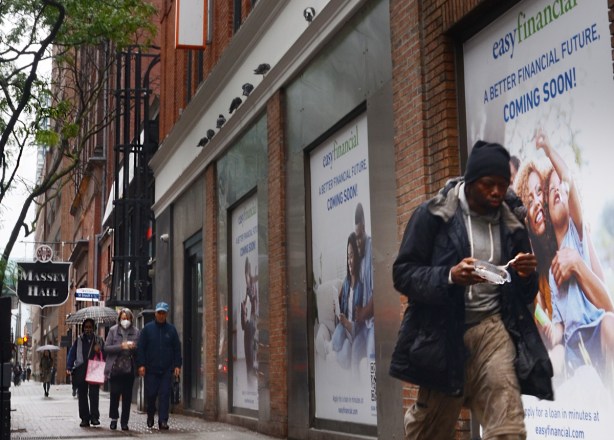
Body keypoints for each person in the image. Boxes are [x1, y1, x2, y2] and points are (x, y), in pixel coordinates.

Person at [390, 141, 553, 439]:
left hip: (492, 331)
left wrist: (527, 275)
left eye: (502, 185)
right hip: (443, 333)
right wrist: (449, 276)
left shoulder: (512, 223)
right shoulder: (433, 216)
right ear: (470, 180)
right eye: (488, 184)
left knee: (509, 428)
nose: (496, 192)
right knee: (430, 431)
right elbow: (402, 275)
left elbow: (525, 294)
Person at [536, 132, 614, 386]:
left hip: (593, 329)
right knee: (555, 357)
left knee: (610, 325)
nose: (557, 190)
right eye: (551, 190)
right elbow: (558, 322)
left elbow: (567, 175)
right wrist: (553, 330)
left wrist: (548, 149)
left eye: (561, 187)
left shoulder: (577, 232)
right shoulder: (550, 272)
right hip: (571, 344)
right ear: (547, 207)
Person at [136, 302, 182, 431]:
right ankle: (150, 415)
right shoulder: (147, 329)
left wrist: (177, 365)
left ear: (166, 314)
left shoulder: (171, 330)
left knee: (165, 394)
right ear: (155, 313)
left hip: (167, 369)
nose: (161, 315)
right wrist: (141, 364)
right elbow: (141, 348)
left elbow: (177, 349)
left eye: (163, 313)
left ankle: (163, 420)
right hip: (151, 369)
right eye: (159, 313)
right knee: (151, 395)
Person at [331, 232, 364, 370]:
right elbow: (341, 308)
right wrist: (336, 309)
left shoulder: (362, 286)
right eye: (348, 257)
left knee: (345, 358)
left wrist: (347, 323)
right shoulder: (345, 282)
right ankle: (335, 348)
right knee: (336, 342)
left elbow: (362, 327)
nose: (350, 261)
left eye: (352, 256)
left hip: (354, 331)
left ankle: (341, 350)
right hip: (344, 328)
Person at [104, 308, 140, 431]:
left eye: (128, 318)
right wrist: (121, 346)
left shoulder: (136, 332)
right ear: (119, 319)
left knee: (127, 396)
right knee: (114, 394)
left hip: (129, 368)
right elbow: (107, 348)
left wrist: (134, 347)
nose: (125, 321)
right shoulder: (113, 331)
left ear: (131, 319)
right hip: (115, 367)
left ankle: (125, 422)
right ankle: (114, 419)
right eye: (123, 318)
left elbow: (139, 350)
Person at [66, 318, 105, 427]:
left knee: (94, 394)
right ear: (83, 328)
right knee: (82, 394)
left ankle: (94, 417)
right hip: (81, 368)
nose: (88, 329)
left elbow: (105, 353)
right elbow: (72, 353)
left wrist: (100, 349)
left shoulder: (99, 340)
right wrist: (69, 365)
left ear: (94, 328)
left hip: (94, 368)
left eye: (90, 327)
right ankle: (84, 418)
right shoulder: (79, 340)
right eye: (86, 327)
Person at [353, 202, 374, 365]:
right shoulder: (358, 258)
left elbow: (378, 294)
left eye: (360, 237)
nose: (357, 242)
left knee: (371, 353)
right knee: (354, 352)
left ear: (365, 228)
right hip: (363, 324)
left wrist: (363, 313)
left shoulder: (372, 249)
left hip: (373, 322)